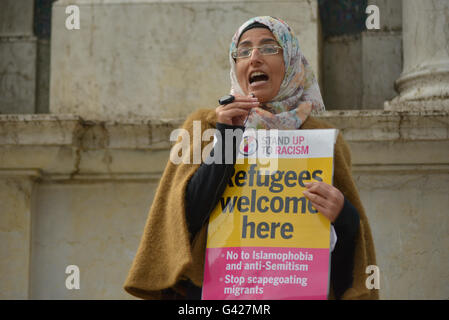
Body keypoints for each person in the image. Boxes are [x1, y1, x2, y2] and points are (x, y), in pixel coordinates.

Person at [124, 16, 378, 300]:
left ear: (291, 61)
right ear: (236, 66)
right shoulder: (204, 126)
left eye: (269, 48)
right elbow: (180, 222)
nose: (254, 57)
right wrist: (228, 139)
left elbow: (347, 263)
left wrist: (343, 215)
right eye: (243, 51)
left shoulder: (322, 139)